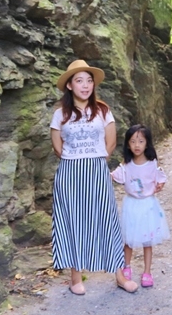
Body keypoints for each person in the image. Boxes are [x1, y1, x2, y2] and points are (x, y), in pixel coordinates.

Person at [49, 60, 138, 295]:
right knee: (73, 221)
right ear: (69, 85)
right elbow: (58, 147)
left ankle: (119, 275)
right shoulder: (60, 114)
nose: (85, 85)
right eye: (79, 80)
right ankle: (76, 277)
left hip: (97, 170)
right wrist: (77, 158)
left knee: (107, 219)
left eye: (89, 80)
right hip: (70, 173)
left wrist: (95, 160)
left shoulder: (103, 110)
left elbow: (111, 142)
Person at [111, 124, 170, 288]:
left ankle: (147, 272)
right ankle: (126, 267)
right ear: (128, 145)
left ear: (147, 143)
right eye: (133, 141)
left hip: (147, 206)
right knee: (128, 240)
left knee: (147, 241)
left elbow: (160, 178)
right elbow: (114, 176)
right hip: (131, 205)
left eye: (141, 141)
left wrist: (160, 184)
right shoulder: (126, 165)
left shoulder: (152, 164)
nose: (137, 145)